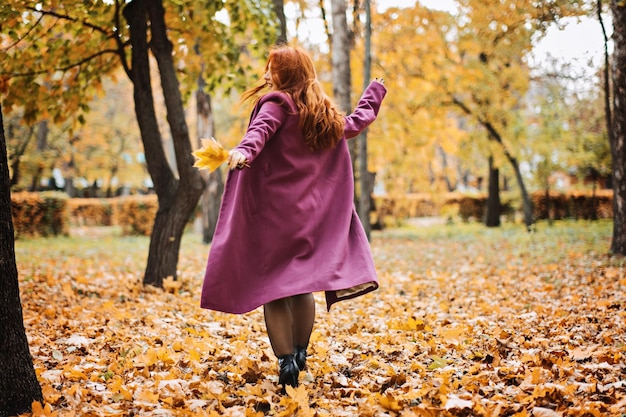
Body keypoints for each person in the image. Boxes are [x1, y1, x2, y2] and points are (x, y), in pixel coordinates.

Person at [200, 45, 386, 390]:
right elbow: (357, 122)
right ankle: (301, 354)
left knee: (275, 290)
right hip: (312, 217)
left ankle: (286, 363)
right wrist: (373, 92)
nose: (268, 76)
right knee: (302, 288)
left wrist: (243, 150)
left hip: (276, 218)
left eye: (273, 69)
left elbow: (260, 132)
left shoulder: (276, 103)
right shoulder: (321, 111)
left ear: (286, 74)